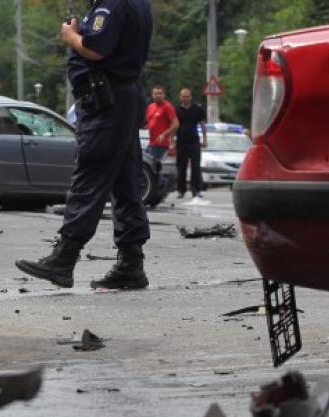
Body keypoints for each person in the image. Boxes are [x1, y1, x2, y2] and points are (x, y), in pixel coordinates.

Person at [15, 0, 153, 290]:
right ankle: (131, 263)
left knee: (90, 175)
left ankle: (64, 258)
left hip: (106, 102)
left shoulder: (111, 4)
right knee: (125, 182)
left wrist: (71, 36)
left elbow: (96, 48)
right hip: (122, 97)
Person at [174, 87, 207, 200]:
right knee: (181, 167)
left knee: (196, 167)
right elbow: (173, 126)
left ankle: (196, 190)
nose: (185, 98)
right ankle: (181, 190)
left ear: (191, 97)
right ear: (180, 97)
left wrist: (205, 139)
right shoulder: (176, 109)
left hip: (194, 142)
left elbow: (203, 124)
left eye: (187, 96)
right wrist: (171, 141)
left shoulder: (197, 109)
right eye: (183, 96)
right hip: (181, 142)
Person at [144, 84, 178, 161]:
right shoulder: (150, 107)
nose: (158, 96)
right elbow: (148, 122)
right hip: (151, 143)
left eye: (160, 93)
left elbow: (176, 124)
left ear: (164, 95)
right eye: (155, 94)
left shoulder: (167, 106)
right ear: (152, 95)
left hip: (162, 145)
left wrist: (164, 134)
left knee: (156, 169)